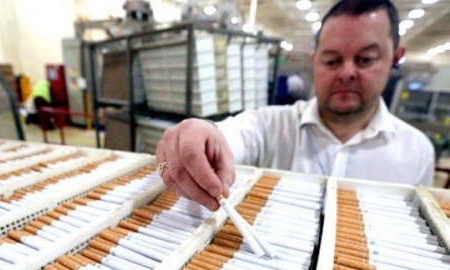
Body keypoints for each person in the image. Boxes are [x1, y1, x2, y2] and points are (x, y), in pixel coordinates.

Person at [155, 0, 435, 211]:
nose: (346, 73)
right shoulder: (271, 125)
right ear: (315, 61)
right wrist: (198, 135)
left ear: (395, 58)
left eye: (365, 59)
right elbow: (232, 135)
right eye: (332, 60)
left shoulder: (417, 152)